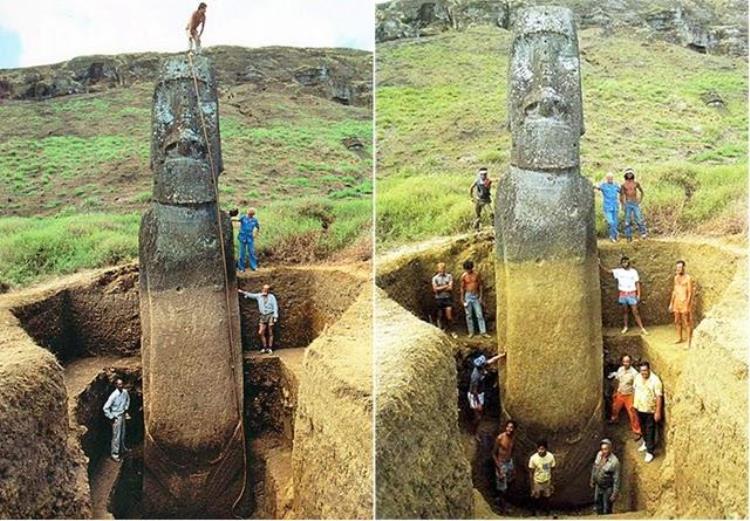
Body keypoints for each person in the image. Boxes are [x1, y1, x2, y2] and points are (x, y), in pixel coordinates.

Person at [599, 256, 648, 335]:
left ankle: (642, 328)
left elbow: (637, 283)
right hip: (623, 293)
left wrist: (638, 294)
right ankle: (625, 327)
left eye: (626, 262)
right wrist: (600, 264)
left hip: (631, 293)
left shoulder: (633, 272)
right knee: (625, 311)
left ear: (628, 262)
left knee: (635, 311)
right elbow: (608, 271)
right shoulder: (619, 271)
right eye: (623, 262)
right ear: (621, 263)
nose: (624, 264)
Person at [468, 352, 505, 435]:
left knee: (480, 414)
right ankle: (473, 431)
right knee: (478, 416)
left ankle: (475, 428)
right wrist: (478, 404)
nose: (486, 365)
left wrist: (502, 355)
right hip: (474, 396)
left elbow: (492, 360)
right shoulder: (475, 376)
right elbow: (474, 391)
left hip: (480, 393)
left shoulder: (481, 366)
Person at [633, 361, 663, 463]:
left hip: (650, 410)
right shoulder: (637, 377)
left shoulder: (655, 381)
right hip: (639, 407)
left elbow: (659, 396)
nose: (643, 373)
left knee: (650, 430)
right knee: (642, 427)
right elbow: (635, 390)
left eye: (645, 370)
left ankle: (650, 452)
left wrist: (658, 412)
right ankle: (645, 443)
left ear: (649, 370)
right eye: (641, 371)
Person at [607, 354, 642, 440]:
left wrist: (635, 398)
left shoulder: (634, 373)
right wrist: (615, 391)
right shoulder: (620, 369)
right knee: (615, 407)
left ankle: (637, 431)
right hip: (620, 393)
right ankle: (614, 419)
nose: (626, 363)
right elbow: (618, 380)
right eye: (624, 361)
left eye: (627, 361)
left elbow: (637, 386)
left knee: (632, 413)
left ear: (631, 362)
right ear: (622, 362)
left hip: (629, 395)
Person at [239, 284, 279, 353]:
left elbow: (275, 307)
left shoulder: (272, 297)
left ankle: (270, 348)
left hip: (270, 315)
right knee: (261, 332)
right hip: (263, 316)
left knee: (270, 332)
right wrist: (242, 292)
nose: (265, 290)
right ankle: (264, 347)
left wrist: (275, 317)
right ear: (262, 289)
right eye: (264, 289)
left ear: (269, 290)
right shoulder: (259, 296)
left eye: (267, 289)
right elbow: (251, 295)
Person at [590, 438, 621, 515]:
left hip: (608, 488)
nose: (604, 451)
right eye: (602, 449)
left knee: (607, 507)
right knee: (597, 502)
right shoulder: (599, 454)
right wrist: (592, 480)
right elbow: (595, 467)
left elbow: (616, 479)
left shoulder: (614, 462)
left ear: (610, 449)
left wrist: (614, 493)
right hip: (598, 485)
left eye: (606, 449)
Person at [103, 378, 130, 462]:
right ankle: (114, 454)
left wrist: (126, 409)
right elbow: (105, 408)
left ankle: (122, 448)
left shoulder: (125, 392)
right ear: (116, 385)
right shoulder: (113, 395)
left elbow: (128, 400)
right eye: (119, 384)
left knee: (122, 433)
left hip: (122, 415)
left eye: (122, 384)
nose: (121, 386)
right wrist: (111, 417)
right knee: (116, 436)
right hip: (116, 416)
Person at [460, 260, 490, 338]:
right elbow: (462, 288)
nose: (468, 271)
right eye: (466, 269)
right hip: (468, 296)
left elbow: (480, 285)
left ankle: (483, 332)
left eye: (469, 269)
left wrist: (480, 296)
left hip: (475, 296)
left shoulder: (476, 275)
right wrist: (462, 299)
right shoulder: (464, 276)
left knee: (479, 314)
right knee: (469, 315)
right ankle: (471, 332)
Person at [492, 420, 517, 511]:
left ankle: (500, 500)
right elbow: (493, 454)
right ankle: (502, 507)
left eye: (511, 427)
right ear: (505, 427)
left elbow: (511, 450)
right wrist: (499, 468)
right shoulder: (500, 438)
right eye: (508, 427)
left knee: (510, 481)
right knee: (502, 486)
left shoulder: (513, 438)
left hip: (509, 462)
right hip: (501, 463)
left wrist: (512, 464)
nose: (509, 429)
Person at [669, 260, 694, 347]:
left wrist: (687, 305)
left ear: (684, 268)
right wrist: (671, 303)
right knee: (677, 321)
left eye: (680, 267)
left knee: (687, 322)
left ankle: (688, 341)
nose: (679, 269)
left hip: (684, 302)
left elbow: (690, 292)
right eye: (677, 267)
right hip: (677, 302)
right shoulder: (676, 278)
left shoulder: (688, 278)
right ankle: (679, 337)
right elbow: (674, 291)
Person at [528, 440, 556, 514]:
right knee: (535, 496)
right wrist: (532, 487)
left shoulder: (550, 457)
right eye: (539, 449)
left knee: (547, 496)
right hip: (537, 481)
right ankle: (534, 511)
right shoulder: (533, 458)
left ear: (546, 449)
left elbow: (553, 470)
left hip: (547, 480)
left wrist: (552, 483)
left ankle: (547, 511)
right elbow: (531, 472)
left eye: (542, 449)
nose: (540, 451)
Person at [620, 168, 647, 242]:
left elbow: (642, 191)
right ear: (625, 175)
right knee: (627, 221)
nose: (629, 175)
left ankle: (643, 233)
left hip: (635, 203)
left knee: (638, 218)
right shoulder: (623, 185)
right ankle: (628, 236)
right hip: (628, 203)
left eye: (630, 174)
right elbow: (621, 195)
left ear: (633, 175)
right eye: (628, 174)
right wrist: (622, 204)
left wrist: (640, 200)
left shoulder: (636, 183)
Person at [431, 262, 457, 338]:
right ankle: (441, 331)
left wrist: (440, 288)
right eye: (440, 268)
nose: (442, 270)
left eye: (443, 268)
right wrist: (445, 286)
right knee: (440, 315)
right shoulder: (435, 278)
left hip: (447, 298)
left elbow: (450, 288)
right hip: (439, 299)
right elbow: (435, 290)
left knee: (449, 315)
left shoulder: (449, 276)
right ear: (438, 269)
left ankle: (453, 331)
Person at [594, 172, 621, 242]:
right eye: (609, 178)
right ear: (606, 178)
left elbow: (622, 191)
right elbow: (596, 186)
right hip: (607, 207)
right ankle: (615, 234)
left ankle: (613, 236)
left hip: (615, 206)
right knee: (610, 222)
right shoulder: (604, 185)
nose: (610, 179)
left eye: (611, 178)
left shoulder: (615, 185)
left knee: (615, 223)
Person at [234, 208, 260, 272]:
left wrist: (255, 235)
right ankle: (241, 268)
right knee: (242, 253)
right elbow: (236, 219)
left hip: (250, 238)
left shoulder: (254, 220)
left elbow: (258, 227)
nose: (250, 215)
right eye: (249, 214)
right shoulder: (243, 218)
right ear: (247, 213)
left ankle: (254, 266)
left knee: (251, 252)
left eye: (251, 215)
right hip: (242, 237)